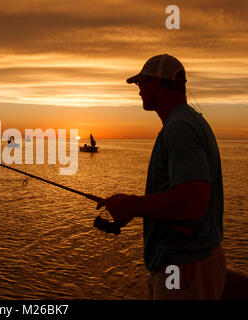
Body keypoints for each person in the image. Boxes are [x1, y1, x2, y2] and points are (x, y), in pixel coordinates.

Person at [96, 54, 226, 299]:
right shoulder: (186, 122)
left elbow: (192, 202)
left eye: (141, 83)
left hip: (185, 268)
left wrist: (132, 204)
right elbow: (183, 201)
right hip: (190, 265)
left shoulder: (179, 128)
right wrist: (133, 209)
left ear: (157, 82)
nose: (138, 91)